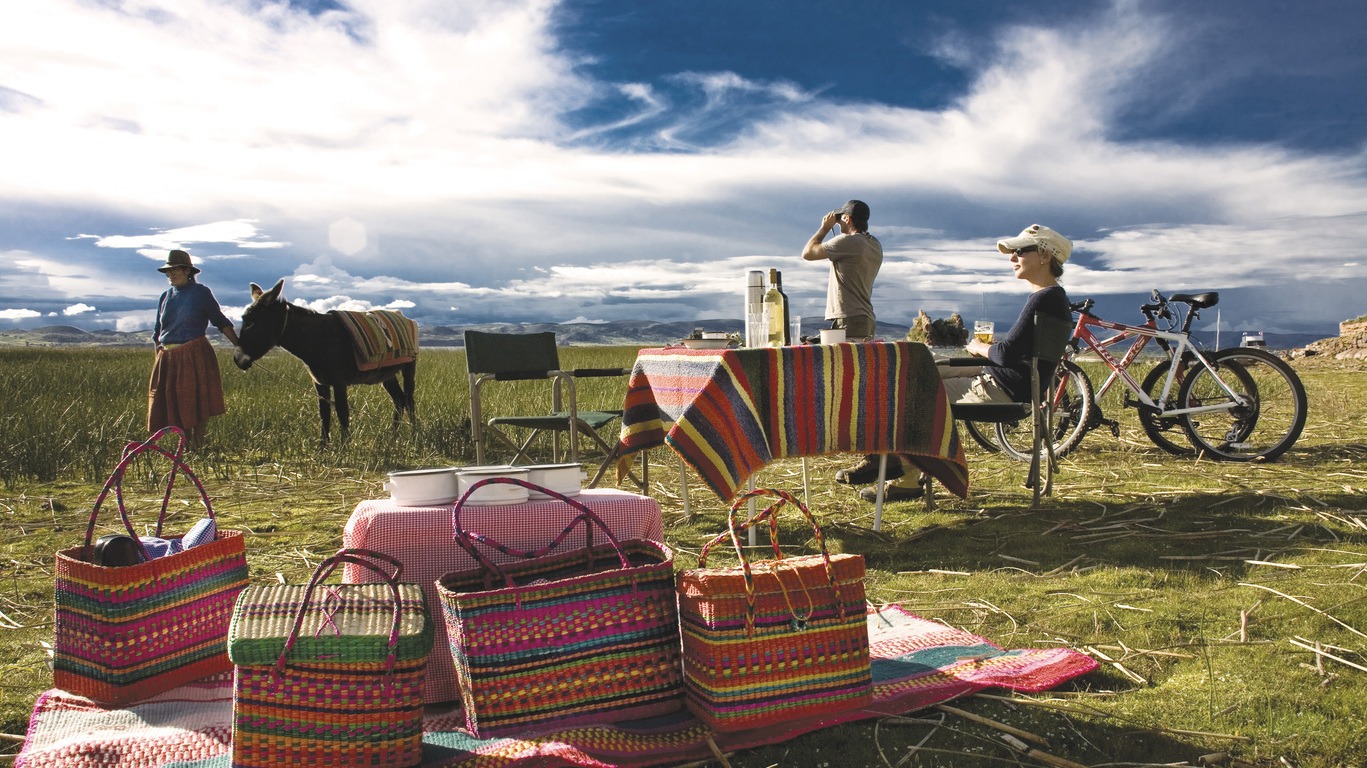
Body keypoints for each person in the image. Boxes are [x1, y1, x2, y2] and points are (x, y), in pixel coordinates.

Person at [839, 224, 1074, 502]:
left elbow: (1006, 354)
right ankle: (888, 459)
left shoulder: (1044, 299)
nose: (1012, 258)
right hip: (1010, 381)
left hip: (1000, 388)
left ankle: (902, 473)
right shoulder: (1055, 299)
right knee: (916, 366)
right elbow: (1015, 355)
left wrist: (978, 346)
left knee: (911, 393)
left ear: (1045, 255)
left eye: (1020, 251)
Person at [147, 249, 240, 448]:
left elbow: (219, 320)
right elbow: (158, 330)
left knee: (195, 400)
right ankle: (185, 444)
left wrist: (239, 346)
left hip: (193, 352)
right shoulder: (165, 296)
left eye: (175, 270)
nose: (171, 274)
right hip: (168, 356)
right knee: (175, 402)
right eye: (168, 271)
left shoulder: (200, 293)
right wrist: (158, 356)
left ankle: (197, 445)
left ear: (187, 271)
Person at [801, 199, 883, 340]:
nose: (838, 223)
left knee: (843, 361)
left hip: (849, 319)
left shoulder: (849, 242)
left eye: (840, 219)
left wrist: (825, 228)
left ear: (847, 218)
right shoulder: (875, 244)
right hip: (866, 318)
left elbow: (807, 253)